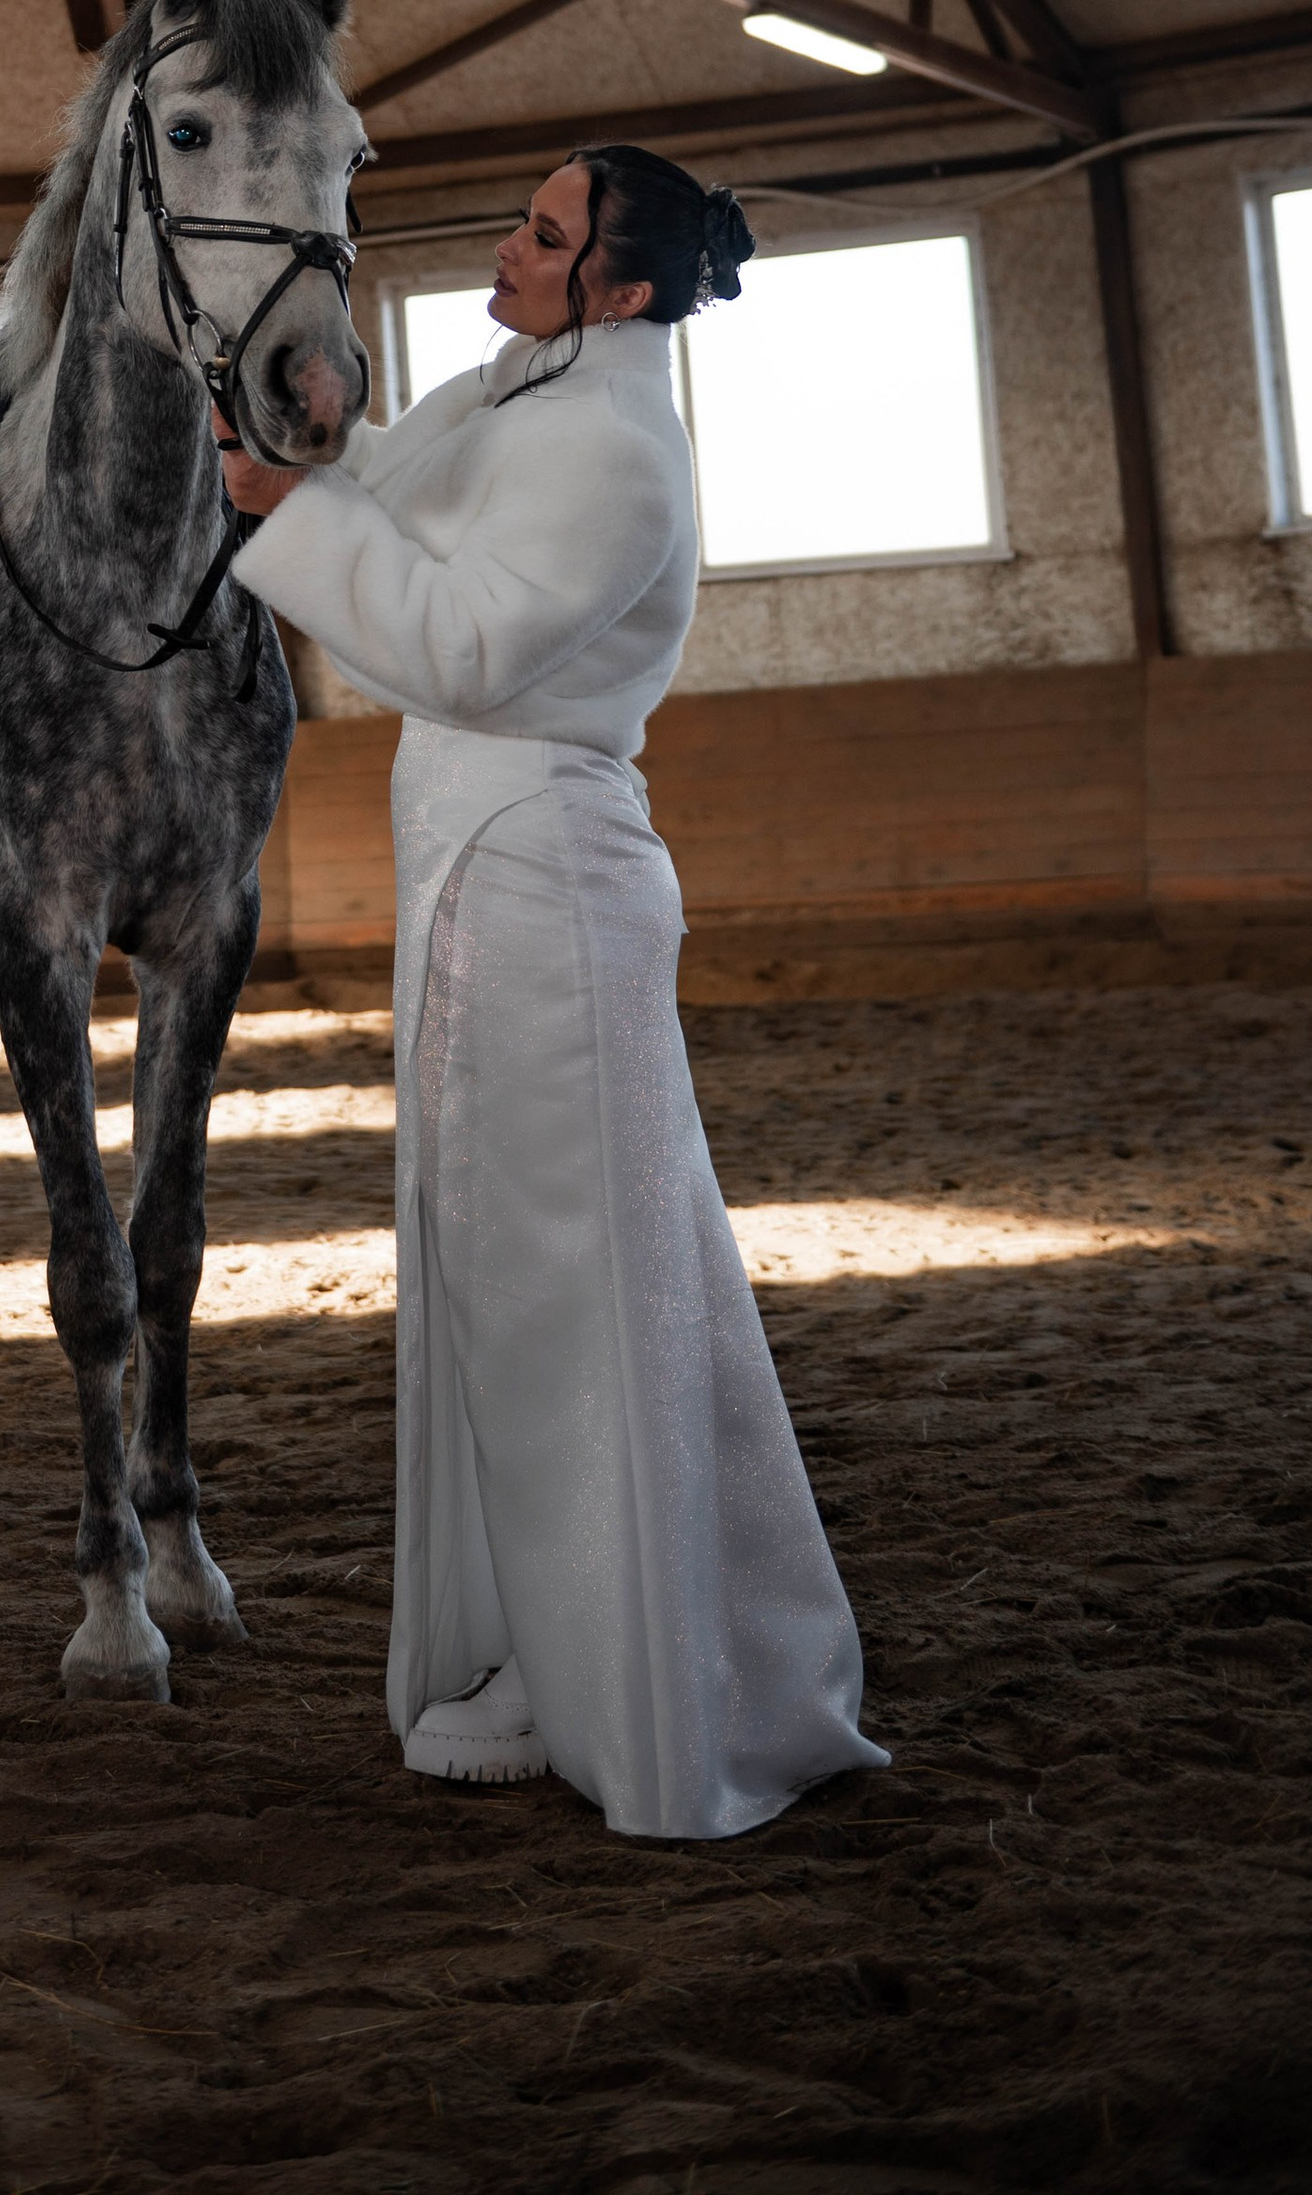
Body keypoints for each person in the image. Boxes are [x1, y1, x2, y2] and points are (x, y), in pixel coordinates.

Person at [220, 146, 886, 1841]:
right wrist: (299, 442)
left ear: (629, 287)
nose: (507, 250)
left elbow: (452, 643)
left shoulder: (614, 450)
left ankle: (632, 1678)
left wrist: (291, 517)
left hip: (545, 884)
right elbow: (388, 500)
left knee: (569, 1288)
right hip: (475, 870)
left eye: (543, 234)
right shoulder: (519, 390)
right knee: (498, 1279)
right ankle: (545, 1633)